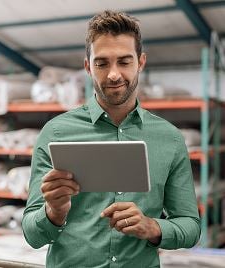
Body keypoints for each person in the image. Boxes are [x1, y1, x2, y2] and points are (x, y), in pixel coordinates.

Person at [22, 10, 200, 267]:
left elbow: (191, 226)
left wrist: (152, 227)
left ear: (141, 62)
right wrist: (53, 212)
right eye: (102, 63)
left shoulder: (169, 139)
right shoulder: (56, 134)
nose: (113, 74)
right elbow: (31, 234)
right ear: (88, 66)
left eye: (124, 62)